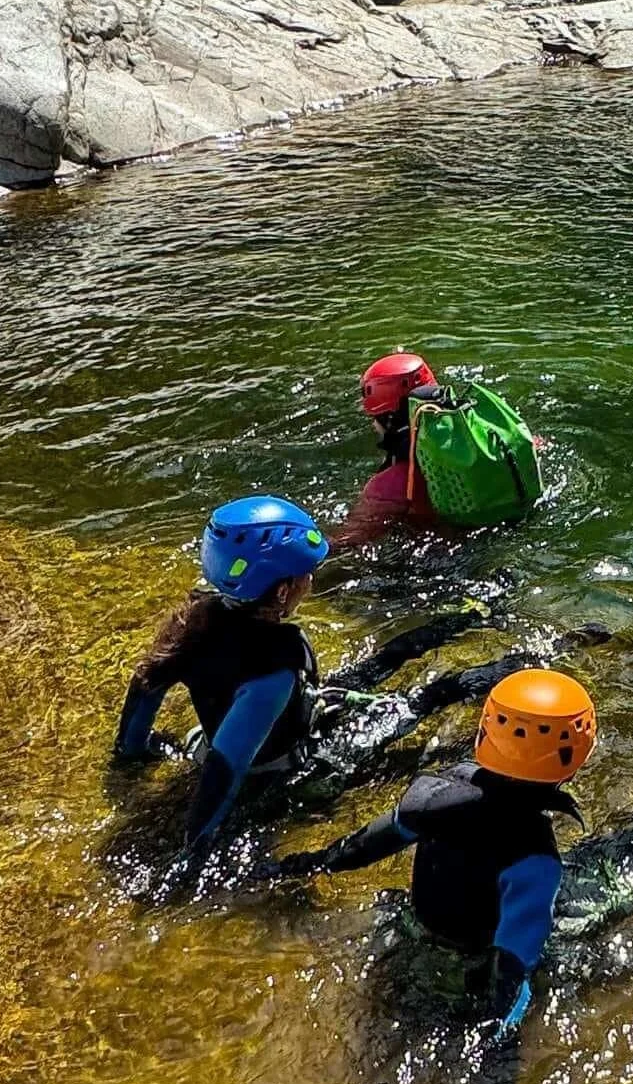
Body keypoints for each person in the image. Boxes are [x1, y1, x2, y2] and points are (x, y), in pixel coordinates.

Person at [272, 668, 598, 1027]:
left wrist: (295, 867)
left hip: (410, 928)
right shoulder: (536, 857)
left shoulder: (438, 793)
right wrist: (502, 1038)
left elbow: (358, 849)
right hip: (465, 964)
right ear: (573, 759)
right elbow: (515, 961)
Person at [111, 494, 331, 853]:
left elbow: (146, 684)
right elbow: (226, 765)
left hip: (203, 744)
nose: (310, 580)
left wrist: (131, 752)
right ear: (280, 591)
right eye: (306, 574)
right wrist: (195, 847)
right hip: (269, 775)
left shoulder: (194, 620)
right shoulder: (277, 663)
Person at [337, 349, 443, 545]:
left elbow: (349, 541)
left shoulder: (389, 484)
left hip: (435, 559)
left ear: (388, 420)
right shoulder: (475, 444)